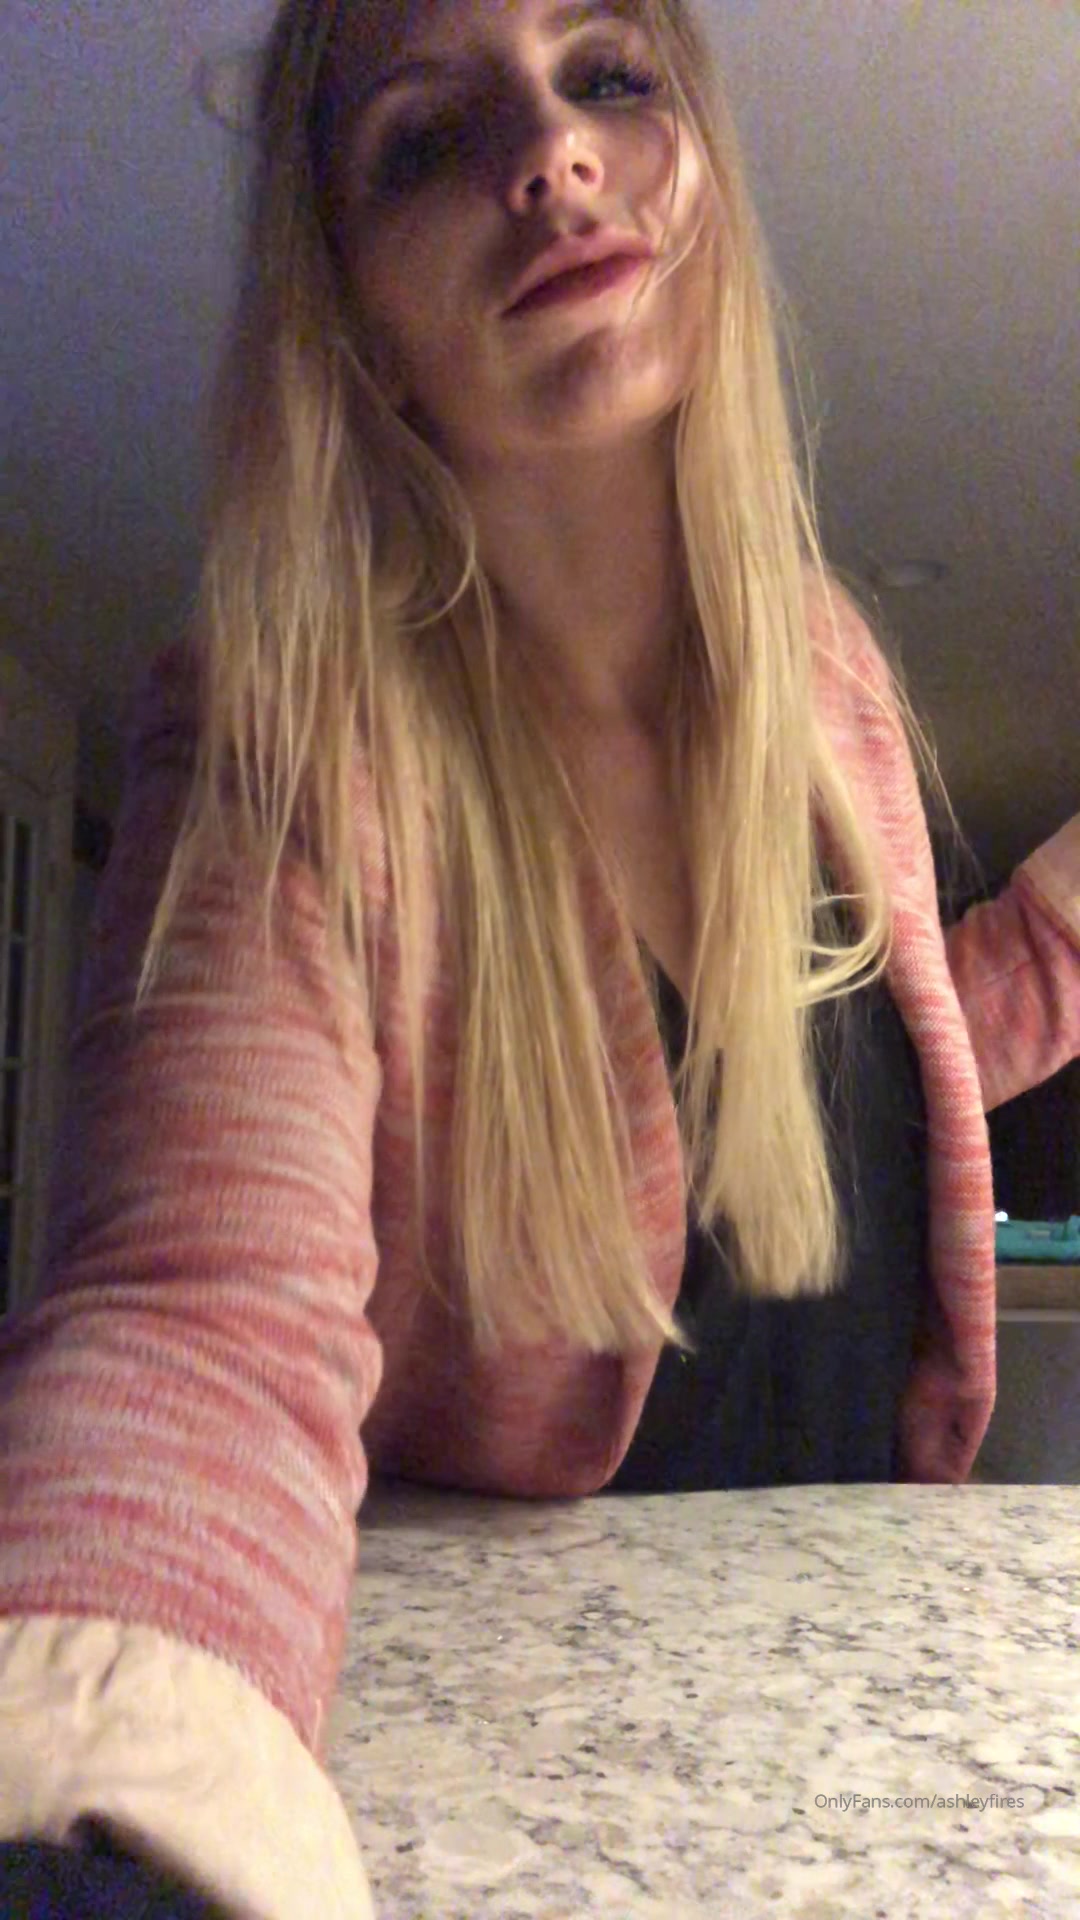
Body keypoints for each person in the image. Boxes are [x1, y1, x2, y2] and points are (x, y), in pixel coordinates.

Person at [1, 1, 1078, 1914]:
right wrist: (94, 1780)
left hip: (852, 1721)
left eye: (609, 76)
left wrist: (1059, 939)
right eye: (427, 138)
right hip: (533, 1791)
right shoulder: (286, 734)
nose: (555, 153)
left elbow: (832, 1085)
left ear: (704, 174)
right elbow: (198, 1320)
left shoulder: (824, 671)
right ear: (350, 313)